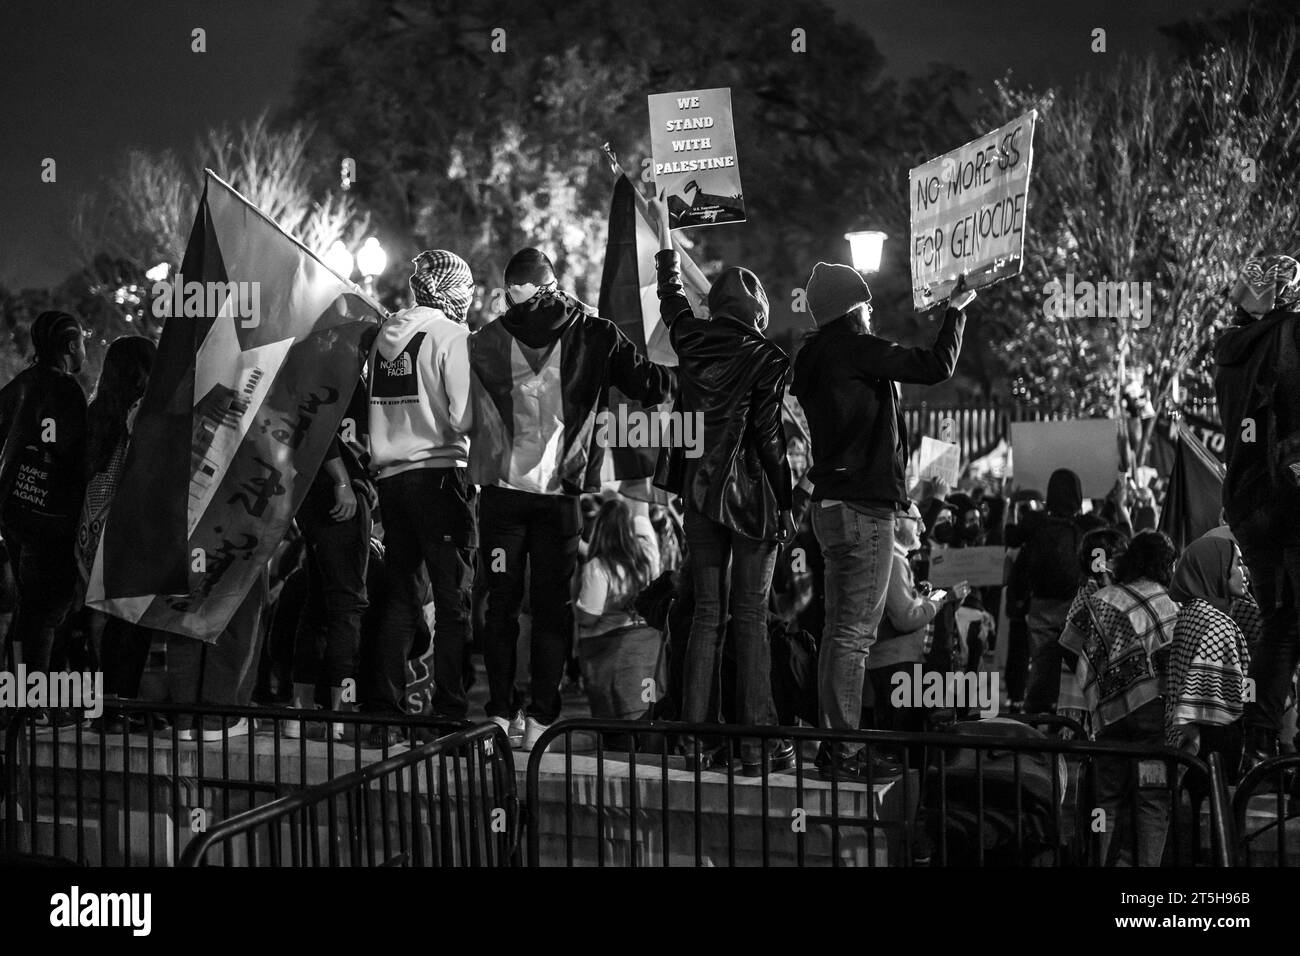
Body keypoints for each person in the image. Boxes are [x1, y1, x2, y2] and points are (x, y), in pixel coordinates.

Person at [470, 247, 673, 751]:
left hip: (500, 495)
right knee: (552, 609)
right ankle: (542, 717)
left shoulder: (484, 340)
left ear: (512, 290)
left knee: (500, 605)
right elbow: (650, 385)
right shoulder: (596, 332)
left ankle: (498, 712)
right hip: (561, 496)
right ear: (553, 284)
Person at [790, 261, 973, 780]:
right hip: (863, 508)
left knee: (836, 632)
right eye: (865, 304)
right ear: (852, 310)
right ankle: (846, 749)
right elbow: (935, 365)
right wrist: (955, 312)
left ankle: (834, 742)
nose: (872, 312)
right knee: (853, 635)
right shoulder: (854, 349)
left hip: (831, 507)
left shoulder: (814, 358)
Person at [650, 196, 794, 775]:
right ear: (756, 313)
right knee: (751, 617)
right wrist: (784, 503)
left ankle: (693, 740)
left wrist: (665, 236)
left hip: (700, 499)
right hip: (752, 503)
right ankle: (759, 742)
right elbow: (768, 440)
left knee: (706, 614)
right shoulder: (767, 357)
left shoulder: (690, 339)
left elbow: (671, 296)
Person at [362, 250, 477, 748]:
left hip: (392, 480)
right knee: (453, 602)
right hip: (439, 476)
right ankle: (449, 712)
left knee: (401, 600)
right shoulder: (451, 336)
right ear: (456, 290)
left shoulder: (384, 337)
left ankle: (382, 715)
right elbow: (465, 415)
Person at [1213, 255, 1300, 773]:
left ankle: (1261, 741)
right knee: (1289, 621)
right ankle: (1264, 739)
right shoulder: (1290, 334)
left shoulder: (1229, 350)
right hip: (1288, 494)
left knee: (1280, 618)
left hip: (1248, 501)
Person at [1059, 530, 1179, 866]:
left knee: (1106, 799)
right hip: (1154, 720)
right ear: (1165, 564)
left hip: (1108, 717)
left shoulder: (1104, 599)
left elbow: (1068, 643)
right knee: (1151, 799)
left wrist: (1095, 684)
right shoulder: (1170, 605)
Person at [0, 311, 89, 721]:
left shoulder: (18, 386)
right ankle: (32, 707)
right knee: (46, 613)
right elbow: (75, 455)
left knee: (29, 609)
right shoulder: (67, 391)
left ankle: (22, 700)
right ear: (71, 346)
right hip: (51, 516)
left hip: (14, 513)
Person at [284, 383, 374, 741]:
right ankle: (340, 714)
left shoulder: (314, 359)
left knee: (318, 603)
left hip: (311, 491)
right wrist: (343, 480)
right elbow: (319, 427)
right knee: (347, 605)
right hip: (339, 492)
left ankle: (301, 709)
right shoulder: (341, 364)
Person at [75, 336, 157, 707]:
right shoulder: (144, 410)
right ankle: (123, 702)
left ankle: (103, 701)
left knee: (102, 618)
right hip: (131, 525)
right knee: (133, 620)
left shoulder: (96, 411)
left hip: (90, 528)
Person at [1011, 468, 1104, 714]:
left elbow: (1009, 537)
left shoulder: (1035, 522)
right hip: (1077, 605)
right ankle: (1074, 716)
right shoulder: (1089, 526)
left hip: (1040, 604)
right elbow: (1104, 558)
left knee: (1041, 662)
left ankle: (1036, 715)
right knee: (1079, 664)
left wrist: (1011, 503)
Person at [1165, 535, 1252, 768]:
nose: (1245, 572)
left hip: (1188, 740)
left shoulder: (1191, 612)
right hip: (1215, 743)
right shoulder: (1217, 625)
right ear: (1216, 569)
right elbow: (1238, 694)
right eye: (1238, 564)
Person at [575, 496, 663, 724]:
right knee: (648, 706)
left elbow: (589, 616)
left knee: (616, 718)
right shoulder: (648, 552)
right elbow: (641, 514)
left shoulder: (599, 565)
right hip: (649, 645)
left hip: (609, 650)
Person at [1057, 526, 1130, 734]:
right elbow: (1068, 646)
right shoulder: (1089, 597)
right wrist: (1091, 678)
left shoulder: (1103, 592)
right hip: (1085, 701)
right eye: (1118, 556)